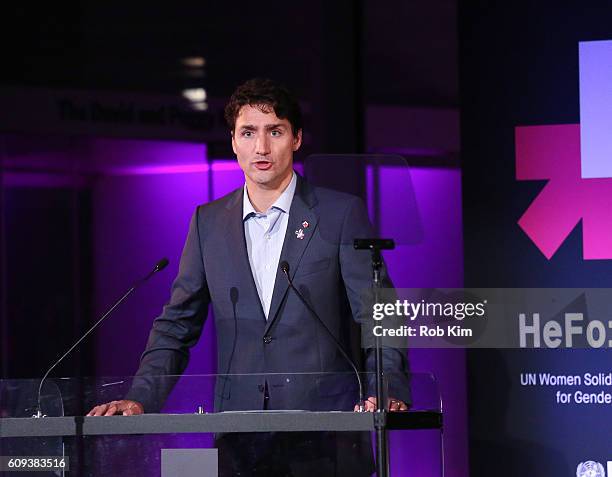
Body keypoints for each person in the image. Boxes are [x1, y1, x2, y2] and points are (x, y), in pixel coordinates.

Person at [88, 78, 410, 475]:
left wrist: (387, 387)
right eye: (248, 133)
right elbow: (177, 325)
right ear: (234, 141)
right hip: (240, 436)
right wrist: (140, 398)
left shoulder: (341, 214)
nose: (261, 147)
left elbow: (380, 313)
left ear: (296, 138)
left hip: (329, 433)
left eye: (275, 131)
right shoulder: (208, 223)